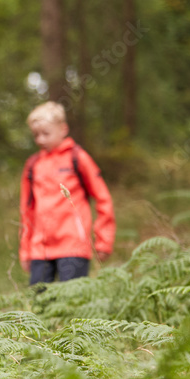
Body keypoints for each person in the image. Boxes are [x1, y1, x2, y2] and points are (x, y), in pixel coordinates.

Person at [19, 101, 115, 285]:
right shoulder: (33, 165)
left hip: (73, 246)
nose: (40, 140)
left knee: (73, 305)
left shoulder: (77, 158)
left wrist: (104, 241)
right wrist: (26, 250)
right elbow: (27, 209)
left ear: (63, 129)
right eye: (36, 135)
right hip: (40, 249)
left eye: (46, 133)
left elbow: (103, 198)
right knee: (38, 305)